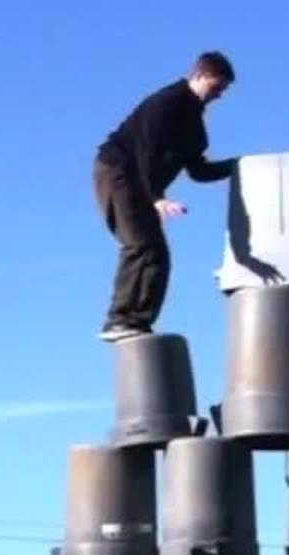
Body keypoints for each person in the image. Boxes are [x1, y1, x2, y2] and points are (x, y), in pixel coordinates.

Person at [92, 52, 238, 342]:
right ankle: (120, 319)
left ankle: (138, 322)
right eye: (215, 87)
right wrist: (156, 197)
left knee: (158, 254)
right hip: (118, 172)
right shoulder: (165, 103)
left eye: (222, 92)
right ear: (198, 76)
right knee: (141, 245)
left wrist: (240, 166)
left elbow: (198, 171)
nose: (217, 96)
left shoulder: (194, 126)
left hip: (139, 184)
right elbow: (146, 151)